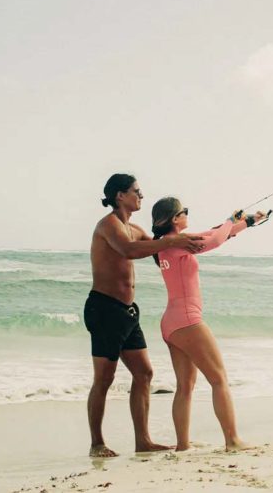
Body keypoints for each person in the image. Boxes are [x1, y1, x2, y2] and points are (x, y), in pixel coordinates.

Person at [85, 173, 205, 458]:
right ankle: (97, 443)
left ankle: (143, 441)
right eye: (136, 191)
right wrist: (166, 243)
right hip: (104, 309)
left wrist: (184, 240)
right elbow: (129, 250)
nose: (141, 196)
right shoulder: (108, 226)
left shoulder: (135, 228)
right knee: (104, 378)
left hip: (127, 312)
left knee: (144, 373)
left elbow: (158, 249)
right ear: (120, 196)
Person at [150, 197, 268, 451]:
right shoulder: (180, 243)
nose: (187, 214)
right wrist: (229, 221)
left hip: (171, 321)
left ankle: (183, 446)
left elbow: (215, 234)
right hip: (187, 320)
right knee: (219, 379)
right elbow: (214, 239)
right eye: (185, 211)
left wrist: (247, 222)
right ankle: (232, 440)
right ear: (174, 218)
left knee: (185, 386)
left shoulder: (167, 245)